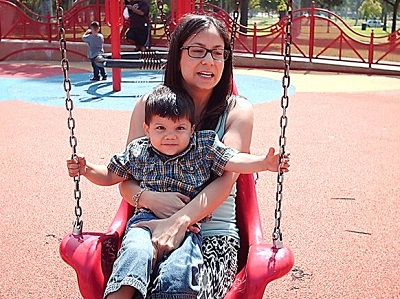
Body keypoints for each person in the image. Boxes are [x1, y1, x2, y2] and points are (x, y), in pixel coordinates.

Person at [115, 14, 290, 299]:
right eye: (197, 51)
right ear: (177, 54)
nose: (208, 61)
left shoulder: (237, 111)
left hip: (211, 233)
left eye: (218, 53)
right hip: (148, 226)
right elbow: (125, 179)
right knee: (127, 283)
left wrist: (179, 221)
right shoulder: (147, 107)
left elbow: (226, 180)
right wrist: (148, 199)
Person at [66, 84, 289, 299]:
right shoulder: (139, 152)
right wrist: (86, 169)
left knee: (181, 267)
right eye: (161, 128)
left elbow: (233, 159)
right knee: (135, 253)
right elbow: (110, 175)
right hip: (144, 223)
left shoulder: (203, 147)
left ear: (192, 130)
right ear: (147, 129)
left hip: (190, 228)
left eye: (179, 128)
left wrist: (263, 163)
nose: (170, 136)